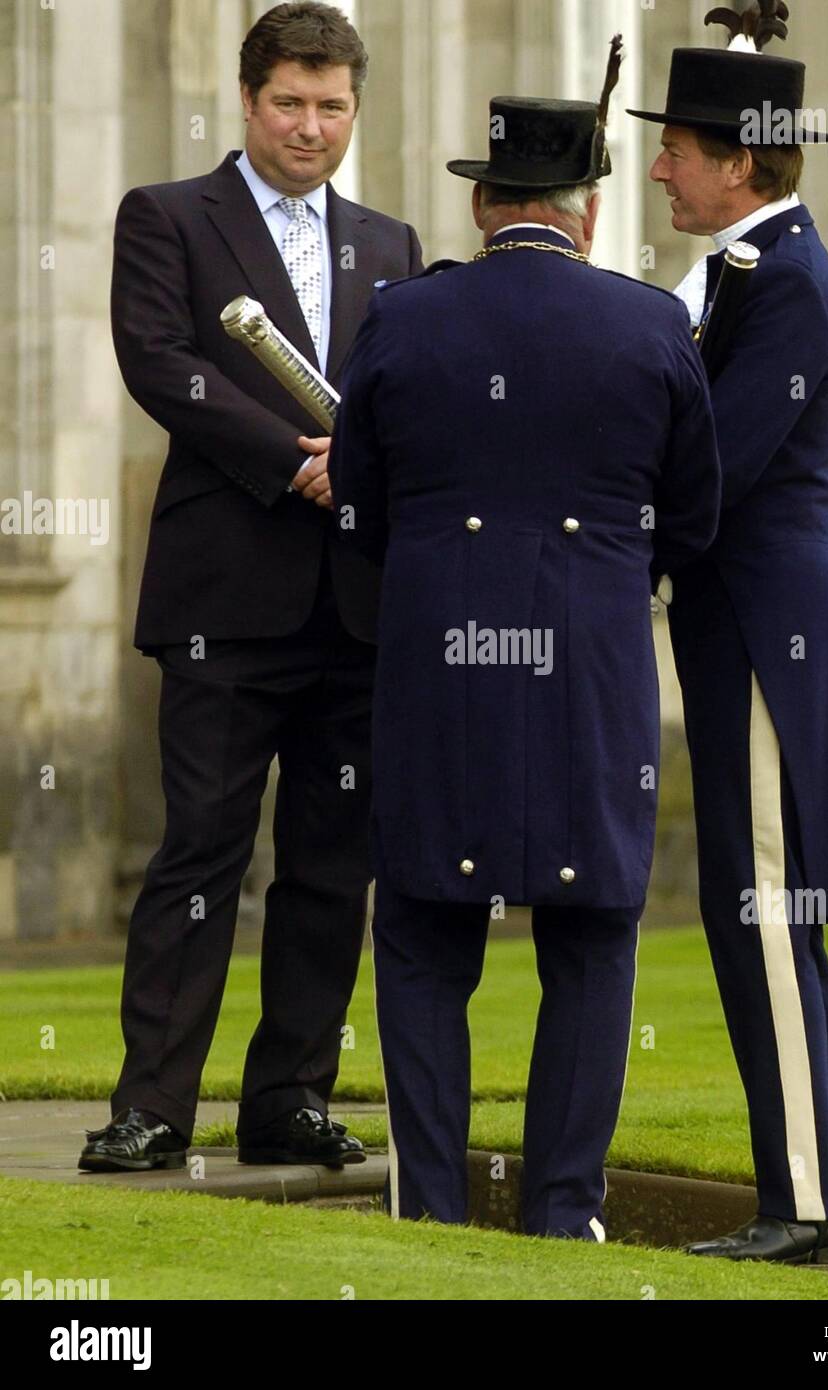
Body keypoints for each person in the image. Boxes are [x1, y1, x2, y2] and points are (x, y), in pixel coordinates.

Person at [330, 84, 722, 1239]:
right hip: (590, 676)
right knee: (591, 934)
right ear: (585, 212)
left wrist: (394, 626)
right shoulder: (651, 325)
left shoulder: (401, 319)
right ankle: (561, 1208)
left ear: (485, 204)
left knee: (418, 934)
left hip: (433, 671)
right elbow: (691, 521)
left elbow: (355, 510)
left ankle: (431, 1204)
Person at [80, 1, 423, 1175]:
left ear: (353, 110)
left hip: (357, 604)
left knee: (332, 865)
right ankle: (152, 1108)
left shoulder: (391, 243)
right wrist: (297, 460)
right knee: (200, 852)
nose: (309, 127)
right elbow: (160, 367)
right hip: (222, 602)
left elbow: (404, 397)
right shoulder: (170, 217)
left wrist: (362, 463)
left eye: (331, 106)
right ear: (247, 97)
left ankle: (288, 1096)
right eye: (290, 102)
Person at [626, 1, 828, 1262]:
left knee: (768, 908)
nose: (659, 166)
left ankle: (806, 1201)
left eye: (675, 146)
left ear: (737, 161)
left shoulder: (783, 285)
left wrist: (588, 537)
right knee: (758, 912)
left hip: (772, 639)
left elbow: (708, 474)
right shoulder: (747, 273)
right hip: (748, 629)